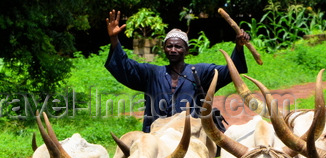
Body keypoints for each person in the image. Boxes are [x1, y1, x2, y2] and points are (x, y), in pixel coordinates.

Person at [105, 9, 250, 132]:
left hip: (189, 137)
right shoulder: (151, 73)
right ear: (164, 49)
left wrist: (238, 46)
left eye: (178, 47)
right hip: (156, 137)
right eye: (169, 46)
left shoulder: (200, 72)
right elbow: (124, 67)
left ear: (186, 50)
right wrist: (114, 39)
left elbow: (231, 71)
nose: (173, 50)